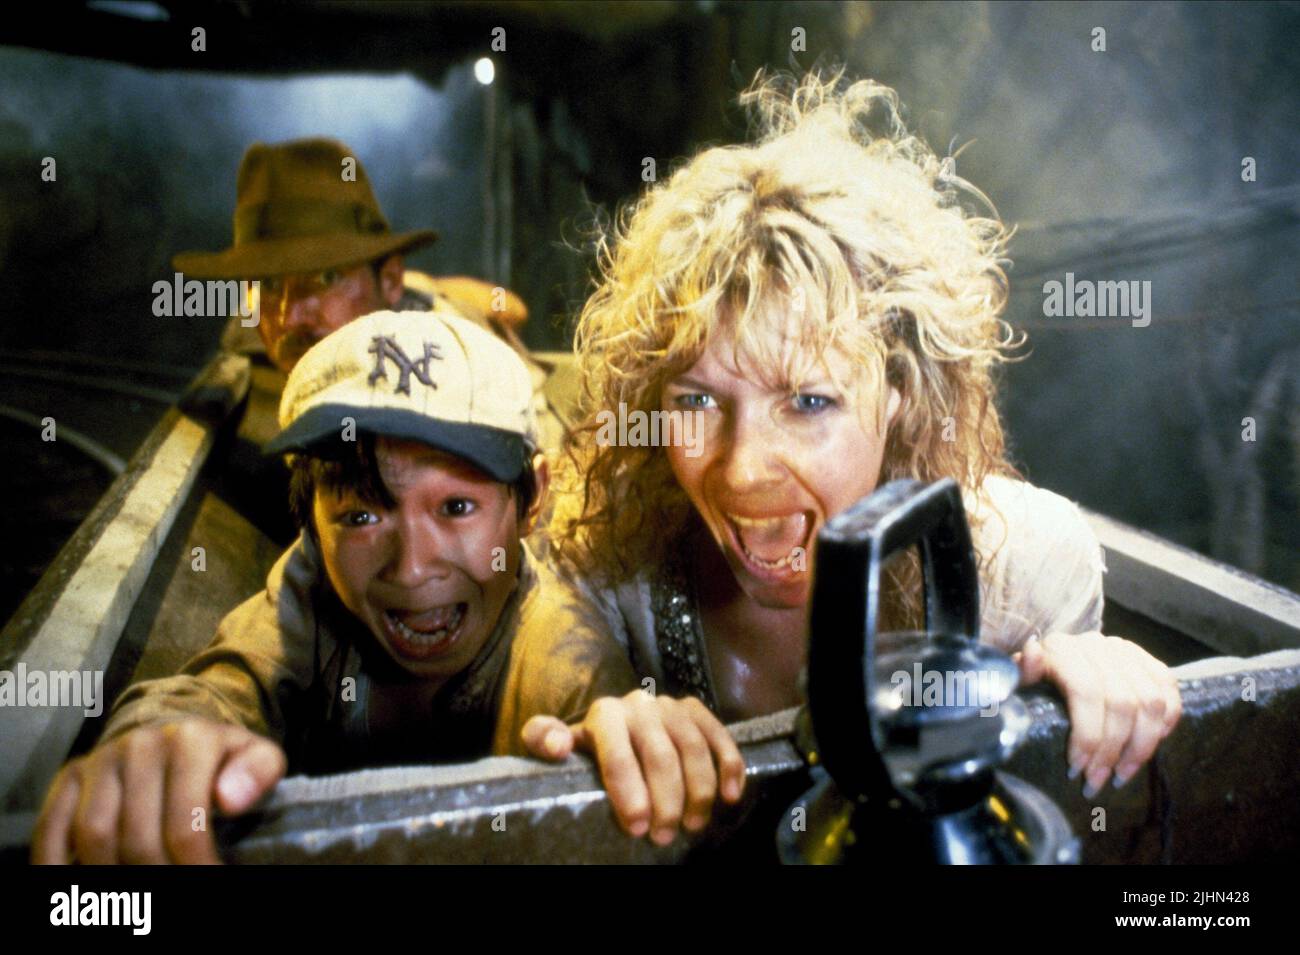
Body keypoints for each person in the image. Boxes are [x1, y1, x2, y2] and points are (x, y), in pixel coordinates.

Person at [546, 70, 1182, 802]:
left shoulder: (1025, 574)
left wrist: (1100, 684)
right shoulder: (610, 572)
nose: (743, 468)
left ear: (901, 392)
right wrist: (597, 730)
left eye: (810, 401)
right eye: (697, 401)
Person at [31, 309, 744, 864]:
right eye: (362, 513)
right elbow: (223, 684)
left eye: (456, 507)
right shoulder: (310, 588)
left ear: (532, 501)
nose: (411, 569)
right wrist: (155, 744)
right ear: (309, 517)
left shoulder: (557, 638)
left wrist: (636, 744)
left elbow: (594, 704)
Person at [174, 137, 569, 543]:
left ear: (391, 280)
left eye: (327, 277)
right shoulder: (260, 326)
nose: (289, 316)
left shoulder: (463, 378)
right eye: (269, 282)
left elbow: (510, 308)